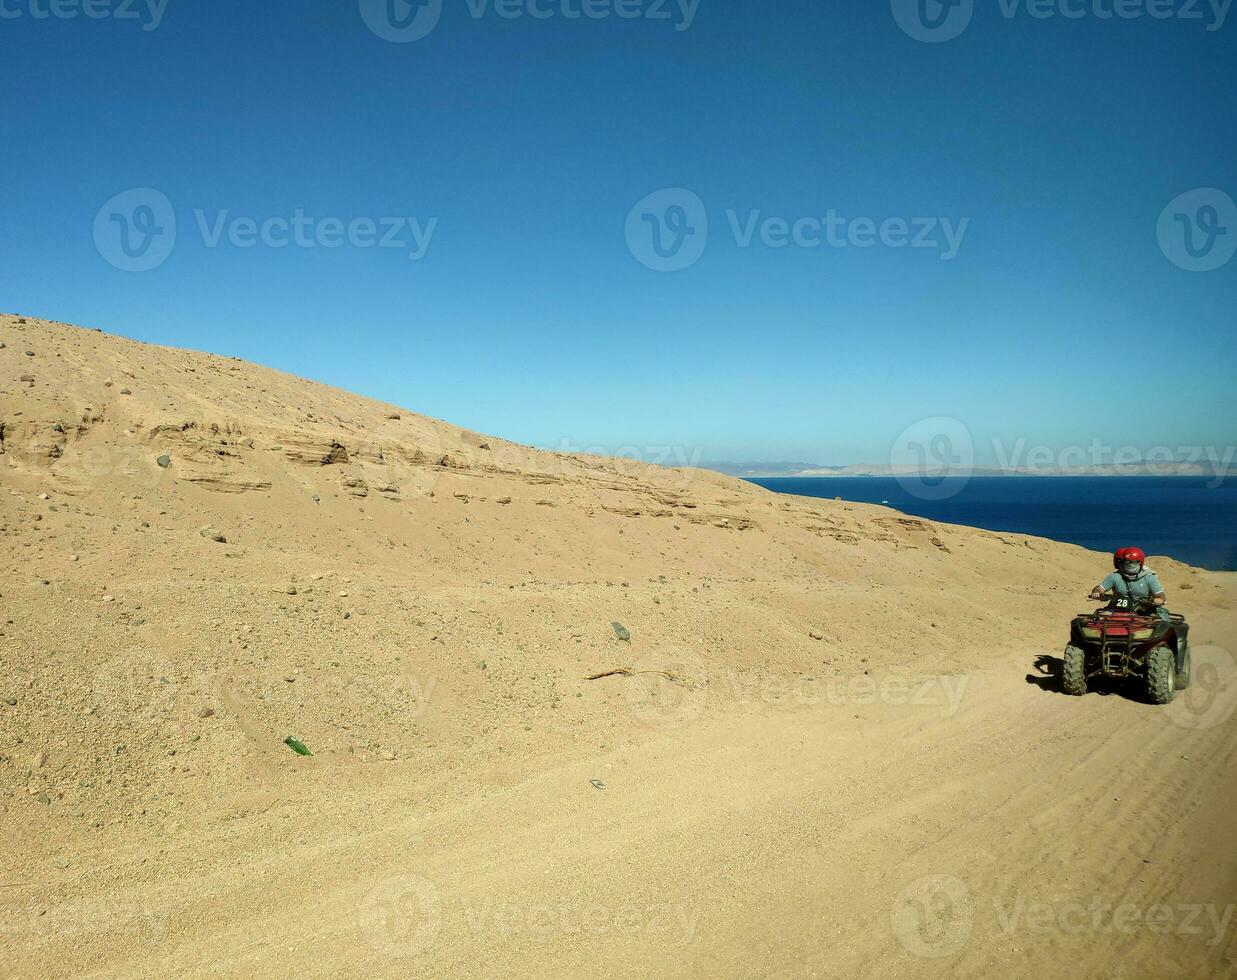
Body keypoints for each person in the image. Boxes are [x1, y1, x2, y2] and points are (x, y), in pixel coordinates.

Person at [1089, 547, 1168, 618]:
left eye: (1134, 563)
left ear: (1140, 563)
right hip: (1116, 609)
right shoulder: (1115, 576)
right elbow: (1100, 588)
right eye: (1127, 562)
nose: (1131, 565)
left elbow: (1160, 596)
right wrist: (1096, 592)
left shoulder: (1149, 577)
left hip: (1144, 610)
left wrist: (1157, 600)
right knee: (1099, 619)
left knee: (1155, 621)